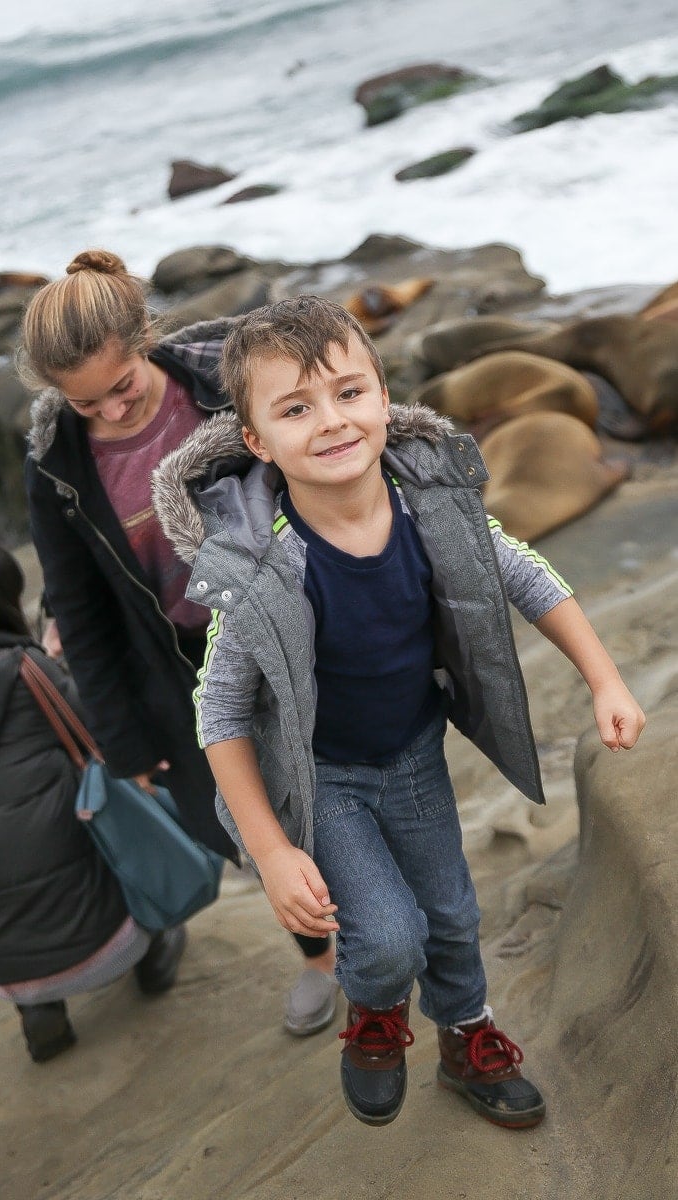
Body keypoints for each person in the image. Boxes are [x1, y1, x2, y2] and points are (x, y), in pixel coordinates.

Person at [150, 294, 646, 1128]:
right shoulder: (264, 564)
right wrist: (271, 852)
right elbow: (221, 711)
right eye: (295, 408)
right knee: (385, 940)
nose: (333, 421)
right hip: (323, 778)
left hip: (414, 757)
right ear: (256, 441)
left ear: (384, 397)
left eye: (349, 392)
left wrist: (604, 679)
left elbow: (522, 573)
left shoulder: (431, 510)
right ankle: (375, 1012)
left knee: (451, 915)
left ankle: (465, 1035)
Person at [19, 251, 339, 1037]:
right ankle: (318, 958)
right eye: (84, 402)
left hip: (302, 624)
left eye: (121, 386)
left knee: (341, 789)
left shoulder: (225, 376)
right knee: (247, 818)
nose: (111, 414)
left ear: (145, 339)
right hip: (182, 673)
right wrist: (124, 741)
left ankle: (382, 935)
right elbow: (78, 610)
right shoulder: (55, 459)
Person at [0, 541, 187, 1063]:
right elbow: (103, 739)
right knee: (123, 844)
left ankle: (41, 1015)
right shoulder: (25, 668)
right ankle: (154, 959)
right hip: (102, 944)